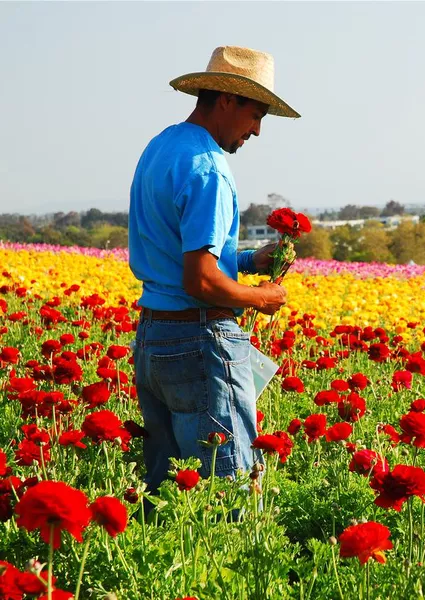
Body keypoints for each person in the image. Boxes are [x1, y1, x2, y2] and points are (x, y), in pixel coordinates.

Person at [128, 46, 300, 493]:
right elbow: (200, 281)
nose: (257, 131)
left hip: (153, 338)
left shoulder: (162, 146)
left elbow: (174, 254)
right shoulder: (209, 169)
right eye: (256, 114)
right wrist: (265, 297)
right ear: (226, 99)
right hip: (197, 341)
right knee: (227, 493)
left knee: (168, 494)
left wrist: (243, 261)